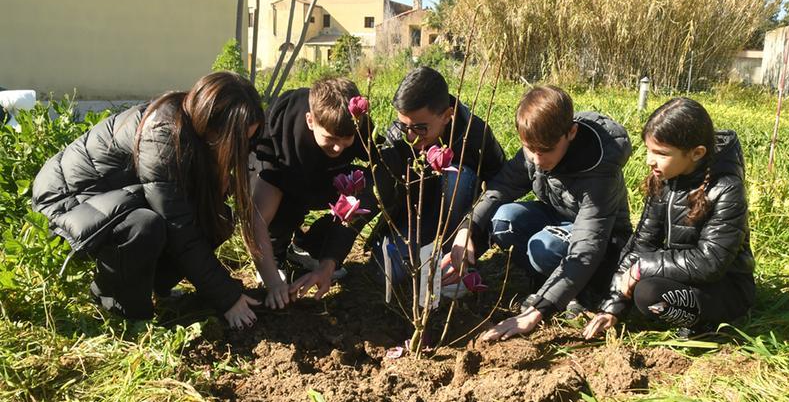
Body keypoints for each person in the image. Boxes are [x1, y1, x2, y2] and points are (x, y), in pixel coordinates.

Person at [32, 72, 265, 328]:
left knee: (217, 217)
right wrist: (227, 298)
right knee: (144, 225)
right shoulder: (163, 133)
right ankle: (119, 307)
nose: (241, 149)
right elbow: (178, 225)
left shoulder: (195, 127)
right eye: (237, 141)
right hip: (67, 200)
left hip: (114, 199)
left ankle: (154, 286)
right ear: (212, 125)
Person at [444, 85, 633, 341]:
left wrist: (536, 311)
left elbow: (587, 248)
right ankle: (549, 283)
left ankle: (585, 292)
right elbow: (501, 188)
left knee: (544, 246)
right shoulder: (537, 147)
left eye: (545, 150)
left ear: (571, 133)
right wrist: (468, 228)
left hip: (604, 243)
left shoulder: (599, 171)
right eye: (529, 148)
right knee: (504, 220)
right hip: (560, 219)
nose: (536, 159)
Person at [583, 97, 755, 340]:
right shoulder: (664, 180)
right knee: (613, 269)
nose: (649, 160)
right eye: (648, 150)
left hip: (725, 288)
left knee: (649, 295)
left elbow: (710, 262)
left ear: (696, 153)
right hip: (681, 275)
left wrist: (642, 268)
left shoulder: (726, 189)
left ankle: (709, 323)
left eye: (661, 153)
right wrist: (613, 306)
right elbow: (642, 243)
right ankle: (670, 310)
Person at [250, 77, 377, 309]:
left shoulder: (356, 123)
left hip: (324, 175)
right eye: (331, 138)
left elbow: (383, 172)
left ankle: (310, 246)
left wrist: (330, 261)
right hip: (282, 173)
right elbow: (257, 218)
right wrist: (272, 281)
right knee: (284, 204)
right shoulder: (281, 132)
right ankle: (275, 255)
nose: (338, 148)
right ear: (310, 120)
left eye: (346, 140)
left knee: (368, 187)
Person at [371, 66, 506, 279]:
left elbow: (500, 184)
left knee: (457, 176)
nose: (410, 137)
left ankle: (454, 259)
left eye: (420, 128)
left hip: (462, 220)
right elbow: (378, 190)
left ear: (447, 116)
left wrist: (472, 232)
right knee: (390, 271)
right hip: (416, 218)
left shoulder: (475, 134)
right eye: (404, 125)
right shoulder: (397, 138)